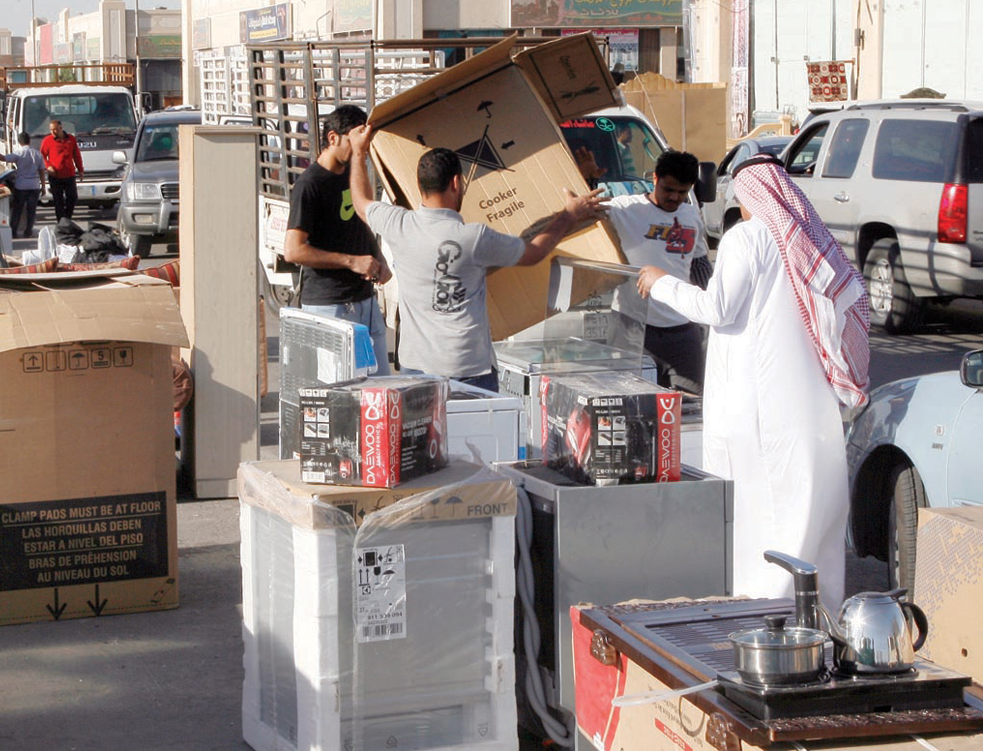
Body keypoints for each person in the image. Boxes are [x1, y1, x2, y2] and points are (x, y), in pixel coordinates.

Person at [636, 155, 869, 609]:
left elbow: (716, 309)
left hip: (759, 408)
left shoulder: (749, 237)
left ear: (747, 197)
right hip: (807, 406)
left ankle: (766, 612)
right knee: (805, 512)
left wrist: (661, 282)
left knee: (759, 513)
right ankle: (817, 614)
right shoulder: (805, 239)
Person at [348, 127, 608, 392]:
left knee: (426, 435)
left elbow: (360, 202)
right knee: (474, 434)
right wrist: (569, 214)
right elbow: (535, 253)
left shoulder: (397, 224)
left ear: (420, 186)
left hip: (416, 367)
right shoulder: (474, 238)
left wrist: (359, 152)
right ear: (457, 183)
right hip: (467, 370)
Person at [283, 105, 392, 377]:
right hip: (330, 305)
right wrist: (351, 261)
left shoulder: (351, 174)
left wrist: (378, 256)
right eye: (354, 138)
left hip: (364, 301)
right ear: (333, 138)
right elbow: (293, 250)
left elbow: (362, 219)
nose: (360, 145)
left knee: (378, 390)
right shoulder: (310, 185)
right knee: (339, 395)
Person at [603, 149, 712, 395]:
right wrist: (587, 179)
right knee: (631, 407)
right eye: (668, 189)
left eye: (682, 192)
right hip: (632, 328)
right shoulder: (624, 209)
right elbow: (585, 213)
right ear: (655, 179)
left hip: (682, 332)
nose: (674, 197)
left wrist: (712, 301)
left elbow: (700, 264)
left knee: (687, 408)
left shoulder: (691, 214)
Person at [0, 132, 47, 238]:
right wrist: (43, 186)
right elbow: (41, 171)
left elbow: (2, 158)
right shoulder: (37, 154)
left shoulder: (18, 153)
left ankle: (13, 231)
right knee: (31, 210)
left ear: (19, 141)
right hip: (34, 186)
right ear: (29, 141)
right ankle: (28, 231)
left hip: (21, 185)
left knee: (18, 209)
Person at [40, 119, 84, 222]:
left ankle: (67, 218)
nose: (53, 132)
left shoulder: (71, 139)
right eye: (51, 130)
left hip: (69, 174)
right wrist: (48, 166)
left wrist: (80, 170)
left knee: (73, 197)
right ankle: (61, 221)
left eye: (55, 129)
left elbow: (76, 155)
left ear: (61, 128)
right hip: (55, 175)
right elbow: (42, 156)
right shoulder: (47, 140)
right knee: (58, 200)